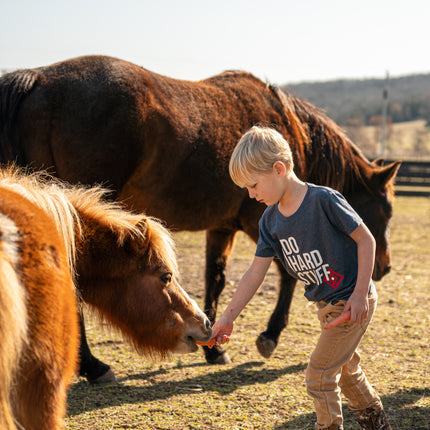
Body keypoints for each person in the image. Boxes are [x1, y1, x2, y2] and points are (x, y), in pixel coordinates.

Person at [211, 125, 391, 430]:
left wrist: (360, 295)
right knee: (346, 371)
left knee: (318, 376)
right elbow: (256, 271)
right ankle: (376, 423)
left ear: (279, 169)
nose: (251, 194)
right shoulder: (269, 221)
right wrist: (229, 316)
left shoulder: (324, 201)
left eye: (253, 185)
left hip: (352, 300)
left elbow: (367, 240)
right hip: (328, 306)